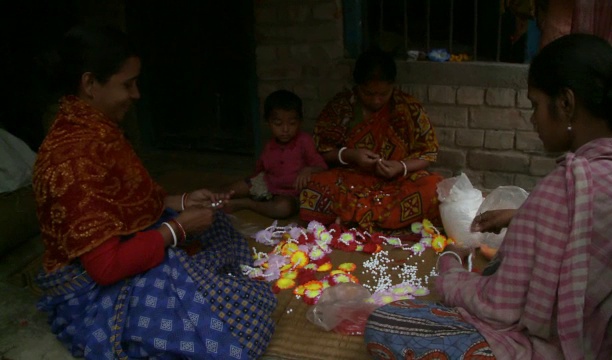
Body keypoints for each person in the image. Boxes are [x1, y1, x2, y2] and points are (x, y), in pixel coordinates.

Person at [364, 33, 612, 359]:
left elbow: (498, 307)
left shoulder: (564, 190)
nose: (533, 118)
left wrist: (450, 267)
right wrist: (520, 216)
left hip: (576, 345)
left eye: (535, 105)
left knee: (387, 322)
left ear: (565, 104)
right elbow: (585, 229)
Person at [33, 25, 276, 359]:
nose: (136, 95)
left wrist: (184, 201)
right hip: (92, 283)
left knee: (217, 227)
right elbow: (106, 268)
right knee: (240, 325)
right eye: (127, 84)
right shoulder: (73, 159)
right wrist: (178, 229)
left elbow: (123, 204)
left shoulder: (97, 130)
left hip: (124, 245)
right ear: (89, 84)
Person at [299, 48, 443, 232]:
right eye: (368, 93)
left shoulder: (408, 109)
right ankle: (385, 220)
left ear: (393, 86)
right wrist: (351, 155)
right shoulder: (341, 107)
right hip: (351, 178)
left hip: (397, 182)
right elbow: (323, 151)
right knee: (312, 187)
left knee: (434, 187)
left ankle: (353, 217)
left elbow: (428, 154)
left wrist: (401, 166)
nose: (376, 100)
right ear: (358, 86)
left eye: (383, 94)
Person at [222, 89, 327, 219]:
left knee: (283, 209)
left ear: (300, 122)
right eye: (278, 124)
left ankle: (247, 204)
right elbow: (259, 170)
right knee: (232, 189)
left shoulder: (304, 141)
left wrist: (309, 170)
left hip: (291, 193)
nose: (285, 129)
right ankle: (205, 199)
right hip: (268, 183)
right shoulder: (270, 145)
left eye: (292, 123)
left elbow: (322, 167)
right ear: (269, 122)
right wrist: (250, 184)